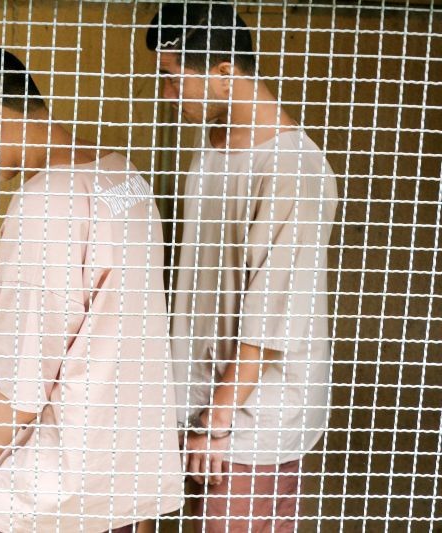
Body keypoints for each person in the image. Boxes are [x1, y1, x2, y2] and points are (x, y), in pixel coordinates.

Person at [0, 38, 183, 532]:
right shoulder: (124, 175)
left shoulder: (42, 202)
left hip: (63, 482)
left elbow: (25, 365)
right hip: (135, 474)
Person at [146, 3, 338, 532]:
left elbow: (275, 309)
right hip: (200, 400)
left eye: (172, 78)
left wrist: (220, 419)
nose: (166, 94)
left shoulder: (292, 170)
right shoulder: (211, 150)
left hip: (252, 417)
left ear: (225, 74)